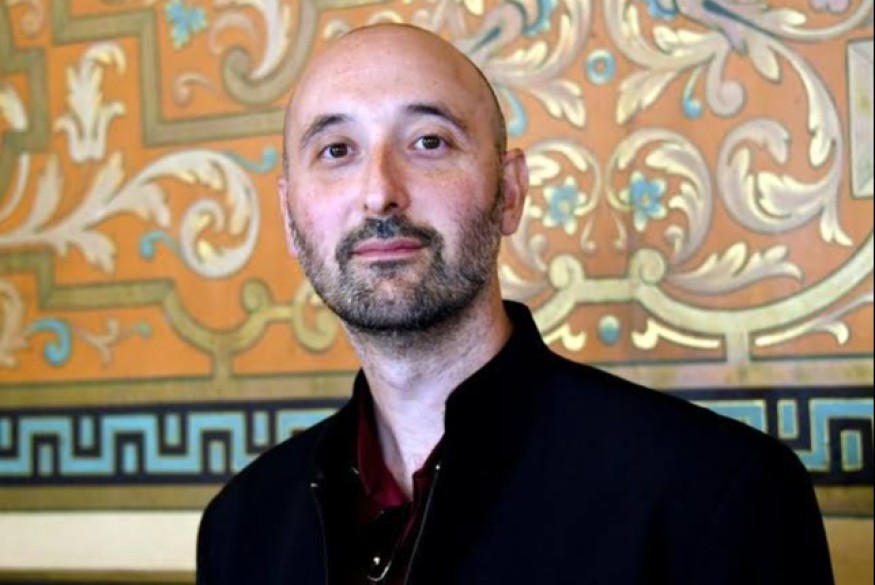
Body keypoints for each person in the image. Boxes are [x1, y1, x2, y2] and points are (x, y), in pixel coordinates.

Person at [196, 23, 834, 584]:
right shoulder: (241, 526)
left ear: (509, 193)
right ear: (290, 216)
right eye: (336, 151)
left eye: (429, 142)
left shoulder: (719, 494)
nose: (379, 192)